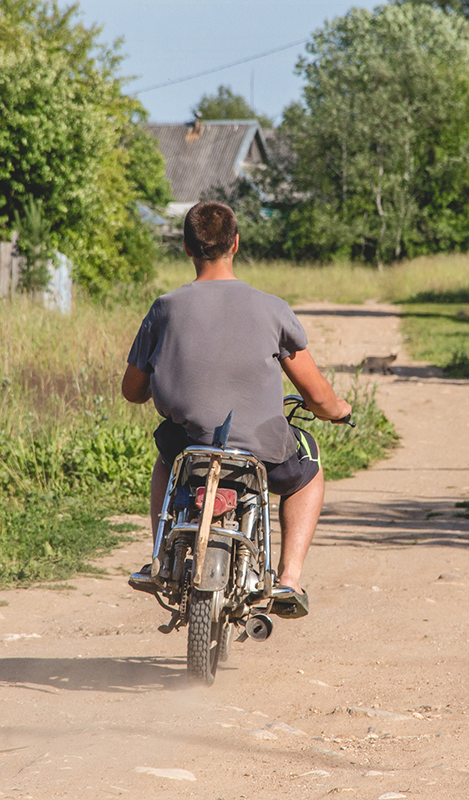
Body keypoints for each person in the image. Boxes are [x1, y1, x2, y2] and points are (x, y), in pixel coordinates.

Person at [121, 201, 351, 618]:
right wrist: (338, 410)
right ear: (237, 244)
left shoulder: (164, 309)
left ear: (187, 248)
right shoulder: (272, 308)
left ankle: (159, 555)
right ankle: (288, 579)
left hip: (189, 447)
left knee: (165, 458)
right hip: (260, 450)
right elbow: (316, 395)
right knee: (309, 468)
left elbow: (132, 391)